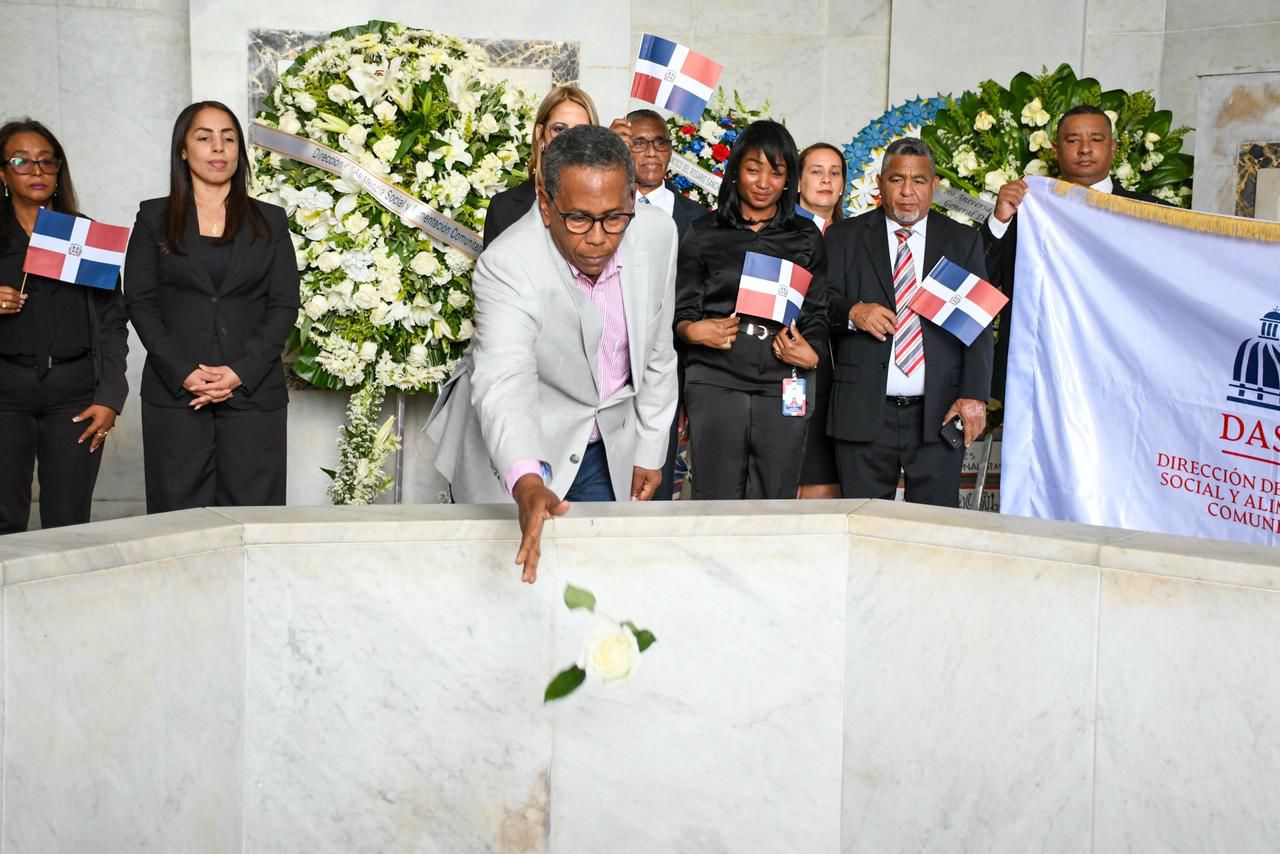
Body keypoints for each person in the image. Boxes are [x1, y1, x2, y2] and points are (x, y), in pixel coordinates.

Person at [426, 125, 678, 583]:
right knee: (510, 592)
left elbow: (658, 351)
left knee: (596, 587)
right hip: (520, 452)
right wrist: (526, 480)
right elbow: (505, 380)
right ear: (546, 205)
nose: (599, 237)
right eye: (579, 218)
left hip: (607, 444)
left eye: (615, 217)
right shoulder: (509, 264)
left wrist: (650, 447)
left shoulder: (659, 235)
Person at [124, 100, 300, 513]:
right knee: (177, 520)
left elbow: (284, 304)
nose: (218, 148)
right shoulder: (154, 218)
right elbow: (140, 301)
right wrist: (184, 373)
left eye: (228, 138)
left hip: (254, 394)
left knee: (254, 516)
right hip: (176, 394)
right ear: (183, 150)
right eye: (204, 138)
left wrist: (240, 372)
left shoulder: (270, 221)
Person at [825, 137, 992, 507]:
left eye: (918, 181)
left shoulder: (962, 241)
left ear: (934, 185)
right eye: (896, 179)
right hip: (863, 411)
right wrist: (852, 312)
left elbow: (977, 328)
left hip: (940, 413)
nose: (906, 192)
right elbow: (816, 304)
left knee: (935, 530)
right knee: (861, 525)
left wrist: (974, 394)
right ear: (880, 184)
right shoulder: (844, 237)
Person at [674, 119, 828, 500]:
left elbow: (819, 312)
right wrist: (694, 330)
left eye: (776, 173)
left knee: (776, 496)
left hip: (783, 382)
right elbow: (681, 311)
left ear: (789, 178)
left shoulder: (806, 236)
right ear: (735, 171)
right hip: (715, 379)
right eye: (753, 169)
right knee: (716, 495)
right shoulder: (703, 232)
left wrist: (811, 352)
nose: (763, 183)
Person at [983, 104, 1162, 402]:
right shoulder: (1024, 210)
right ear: (1055, 149)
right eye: (1073, 140)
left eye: (1096, 139)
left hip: (1120, 377)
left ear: (1113, 147)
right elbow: (983, 282)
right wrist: (1000, 220)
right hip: (1035, 375)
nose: (1085, 149)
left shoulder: (1151, 214)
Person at [0, 119, 128, 534]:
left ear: (58, 171)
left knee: (69, 523)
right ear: (2, 173)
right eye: (21, 161)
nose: (36, 171)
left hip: (75, 396)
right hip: (4, 394)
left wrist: (110, 396)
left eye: (46, 161)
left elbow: (113, 321)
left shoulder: (84, 235)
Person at [613, 107, 708, 499]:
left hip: (671, 370)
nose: (651, 152)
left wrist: (689, 391)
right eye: (639, 143)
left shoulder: (699, 219)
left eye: (660, 143)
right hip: (613, 362)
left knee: (659, 477)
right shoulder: (604, 208)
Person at [794, 142, 847, 499]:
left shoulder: (857, 237)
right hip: (790, 368)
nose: (826, 180)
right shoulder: (779, 233)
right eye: (816, 171)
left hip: (842, 377)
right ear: (797, 181)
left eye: (834, 172)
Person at [482, 85, 598, 248]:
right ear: (540, 134)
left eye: (581, 131)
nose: (569, 141)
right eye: (559, 129)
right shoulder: (503, 207)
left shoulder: (605, 206)